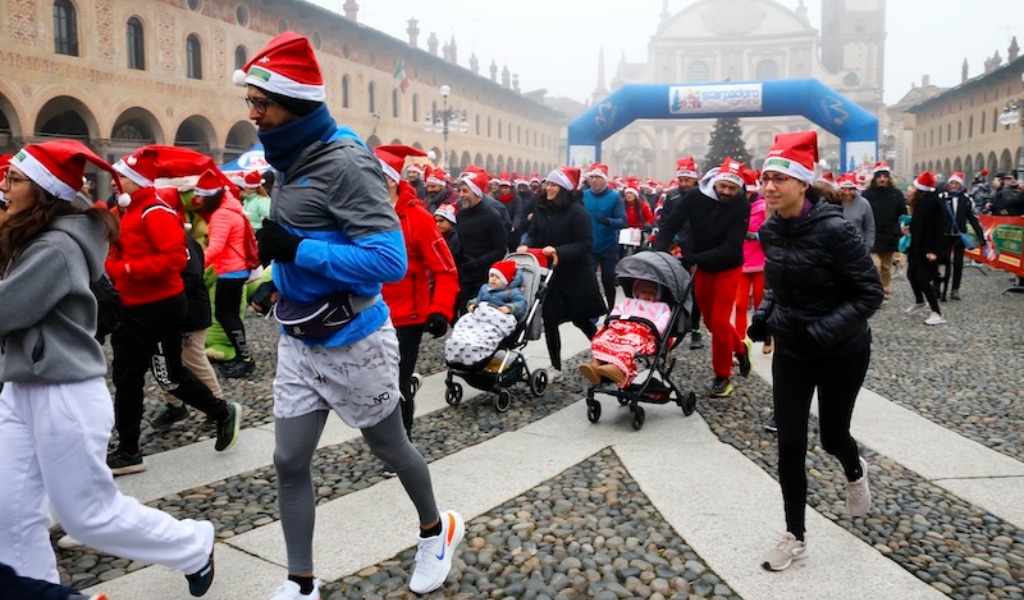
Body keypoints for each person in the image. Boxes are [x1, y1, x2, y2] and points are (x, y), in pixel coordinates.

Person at [235, 31, 463, 598]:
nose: (252, 114)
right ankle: (302, 582)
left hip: (354, 340)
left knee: (390, 448)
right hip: (298, 339)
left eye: (262, 103)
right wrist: (273, 281)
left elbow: (386, 260)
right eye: (251, 102)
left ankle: (436, 531)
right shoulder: (288, 156)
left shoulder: (346, 162)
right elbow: (303, 237)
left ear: (297, 104)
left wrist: (295, 252)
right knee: (289, 459)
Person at [0, 140, 217, 597]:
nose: (4, 184)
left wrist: (133, 267)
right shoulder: (34, 236)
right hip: (23, 384)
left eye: (15, 179)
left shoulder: (56, 245)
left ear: (44, 192)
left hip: (63, 390)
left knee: (88, 515)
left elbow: (8, 308)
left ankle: (193, 544)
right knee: (10, 513)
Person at [746, 131, 883, 572]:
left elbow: (869, 293)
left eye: (779, 180)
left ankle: (854, 470)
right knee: (789, 445)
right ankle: (795, 536)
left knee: (831, 435)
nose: (769, 188)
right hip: (793, 350)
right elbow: (777, 283)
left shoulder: (835, 230)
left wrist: (825, 331)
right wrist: (764, 315)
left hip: (842, 350)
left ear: (802, 183)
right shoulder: (769, 229)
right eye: (765, 179)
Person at [107, 146, 242, 475]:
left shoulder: (155, 211)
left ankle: (223, 413)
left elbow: (175, 259)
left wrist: (124, 270)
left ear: (137, 180)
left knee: (169, 376)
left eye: (120, 175)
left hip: (159, 309)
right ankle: (128, 450)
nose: (114, 181)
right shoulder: (128, 211)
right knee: (125, 378)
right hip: (130, 308)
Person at [376, 144, 459, 439]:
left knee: (395, 384)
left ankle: (402, 442)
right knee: (373, 385)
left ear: (387, 179)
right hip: (367, 317)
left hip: (405, 319)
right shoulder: (360, 215)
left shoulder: (419, 218)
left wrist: (440, 310)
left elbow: (446, 270)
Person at [653, 157, 753, 398]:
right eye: (723, 187)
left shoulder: (742, 205)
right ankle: (740, 347)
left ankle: (722, 375)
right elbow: (671, 222)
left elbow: (731, 247)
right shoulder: (696, 197)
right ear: (715, 183)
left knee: (719, 322)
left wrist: (694, 258)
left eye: (733, 188)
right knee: (710, 322)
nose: (727, 192)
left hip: (727, 266)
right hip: (701, 265)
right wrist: (659, 249)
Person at [518, 166, 606, 381]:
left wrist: (559, 251)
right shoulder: (542, 209)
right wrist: (526, 245)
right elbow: (534, 234)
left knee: (582, 320)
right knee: (549, 320)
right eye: (547, 183)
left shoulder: (578, 212)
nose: (548, 188)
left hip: (575, 276)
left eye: (554, 185)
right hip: (550, 276)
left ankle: (606, 358)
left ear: (564, 188)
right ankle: (556, 367)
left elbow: (585, 244)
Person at [196, 168, 259, 378]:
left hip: (230, 272)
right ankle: (243, 357)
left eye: (201, 196)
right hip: (235, 270)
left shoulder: (221, 215)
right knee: (229, 316)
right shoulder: (232, 210)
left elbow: (215, 248)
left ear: (211, 197)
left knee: (226, 316)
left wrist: (195, 266)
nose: (198, 200)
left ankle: (245, 359)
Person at [578, 279, 671, 386]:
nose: (647, 295)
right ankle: (596, 365)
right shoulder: (629, 302)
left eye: (651, 293)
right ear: (637, 292)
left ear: (657, 295)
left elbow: (663, 323)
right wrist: (615, 322)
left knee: (629, 344)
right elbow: (616, 312)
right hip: (621, 329)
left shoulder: (661, 307)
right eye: (644, 292)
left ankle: (618, 368)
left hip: (642, 333)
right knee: (604, 339)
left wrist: (650, 327)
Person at [655, 157, 704, 349]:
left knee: (695, 290)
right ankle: (668, 329)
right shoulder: (673, 196)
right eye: (681, 180)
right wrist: (667, 239)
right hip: (676, 247)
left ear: (694, 179)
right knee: (673, 287)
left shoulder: (702, 195)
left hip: (696, 248)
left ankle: (696, 330)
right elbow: (665, 220)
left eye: (687, 180)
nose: (684, 184)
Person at [452, 167, 508, 319]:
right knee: (462, 314)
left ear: (476, 192)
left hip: (484, 277)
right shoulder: (461, 214)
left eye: (465, 191)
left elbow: (500, 249)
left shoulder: (492, 216)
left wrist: (478, 262)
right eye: (460, 191)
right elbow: (463, 240)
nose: (461, 195)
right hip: (464, 273)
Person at [903, 171, 947, 325]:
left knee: (922, 279)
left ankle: (936, 312)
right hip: (917, 246)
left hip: (927, 249)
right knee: (911, 275)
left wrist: (932, 251)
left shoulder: (932, 203)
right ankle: (919, 301)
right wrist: (910, 228)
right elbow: (920, 223)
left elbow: (934, 228)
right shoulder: (922, 201)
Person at [583, 163, 626, 308]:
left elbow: (622, 220)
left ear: (604, 180)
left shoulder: (614, 197)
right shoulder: (584, 195)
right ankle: (594, 308)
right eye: (592, 177)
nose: (594, 180)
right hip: (589, 245)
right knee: (589, 279)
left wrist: (608, 221)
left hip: (608, 245)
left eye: (597, 177)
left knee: (608, 280)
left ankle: (611, 308)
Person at [862, 161, 906, 299]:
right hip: (872, 235)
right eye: (879, 176)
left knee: (886, 267)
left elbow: (902, 213)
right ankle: (875, 288)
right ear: (875, 178)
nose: (882, 179)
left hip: (889, 235)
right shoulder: (866, 194)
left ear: (888, 178)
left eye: (885, 176)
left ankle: (885, 289)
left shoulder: (897, 194)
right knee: (875, 265)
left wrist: (902, 227)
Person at [940, 172, 984, 300]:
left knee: (958, 263)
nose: (954, 186)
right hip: (945, 235)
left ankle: (955, 289)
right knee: (945, 261)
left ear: (960, 185)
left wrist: (980, 236)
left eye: (956, 183)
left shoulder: (966, 199)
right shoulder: (942, 197)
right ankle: (942, 288)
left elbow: (973, 219)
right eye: (952, 183)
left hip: (960, 235)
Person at [836, 174, 876, 251]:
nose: (847, 193)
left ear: (855, 189)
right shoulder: (834, 202)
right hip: (838, 248)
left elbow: (869, 227)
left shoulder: (864, 203)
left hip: (858, 248)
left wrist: (867, 247)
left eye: (850, 189)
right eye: (844, 189)